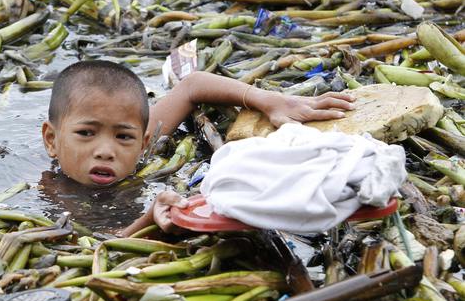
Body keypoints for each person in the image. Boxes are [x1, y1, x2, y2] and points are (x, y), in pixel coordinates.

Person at [41, 60, 354, 236]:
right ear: (52, 141)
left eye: (123, 138)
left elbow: (191, 86)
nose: (106, 150)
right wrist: (146, 222)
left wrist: (269, 101)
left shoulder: (135, 140)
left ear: (144, 143)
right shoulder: (53, 192)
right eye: (86, 133)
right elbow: (94, 248)